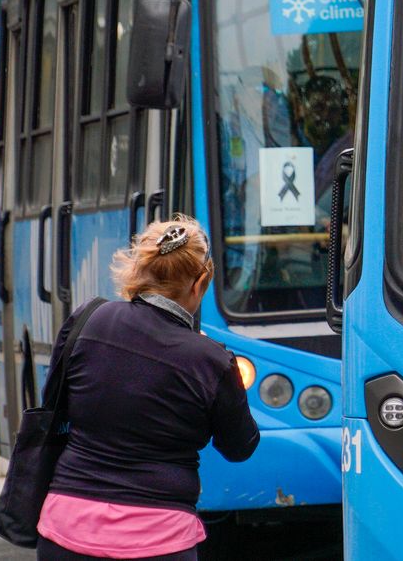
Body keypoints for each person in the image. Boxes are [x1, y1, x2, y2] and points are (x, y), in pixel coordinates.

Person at [35, 215, 259, 561]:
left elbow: (54, 403)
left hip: (67, 530)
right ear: (200, 283)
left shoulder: (87, 319)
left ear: (141, 270)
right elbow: (240, 446)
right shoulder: (210, 360)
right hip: (159, 540)